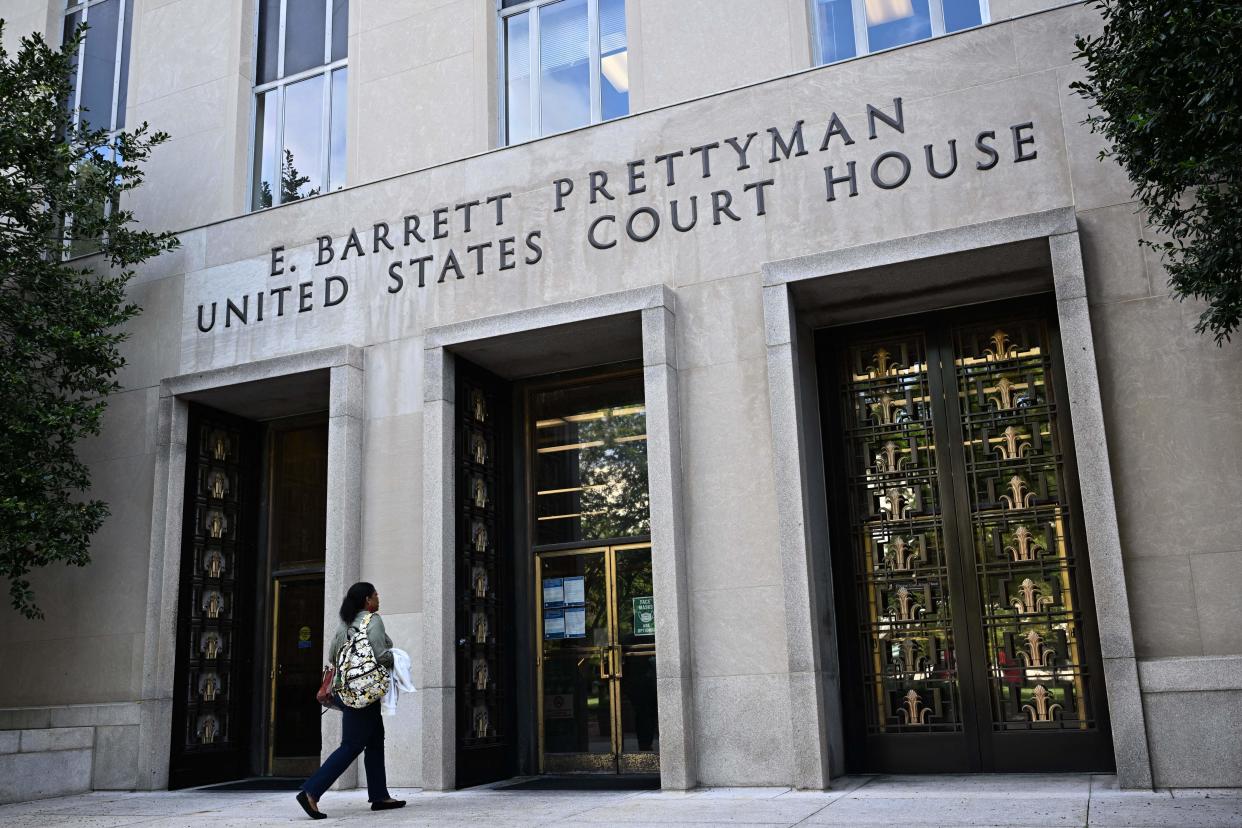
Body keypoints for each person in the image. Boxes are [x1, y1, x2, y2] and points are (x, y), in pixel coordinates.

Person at [296, 582, 406, 819]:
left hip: (346, 691)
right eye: (376, 594)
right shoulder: (372, 620)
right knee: (352, 745)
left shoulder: (345, 623)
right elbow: (380, 653)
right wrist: (396, 659)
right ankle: (311, 791)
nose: (379, 598)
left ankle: (380, 796)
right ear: (368, 600)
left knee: (375, 741)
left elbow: (332, 655)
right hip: (364, 693)